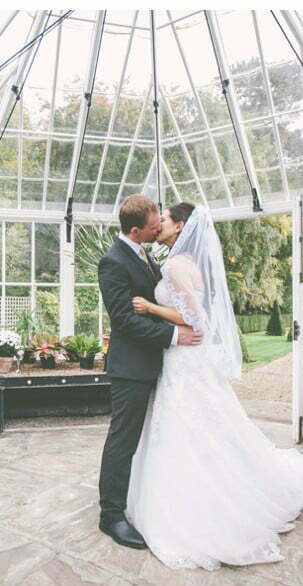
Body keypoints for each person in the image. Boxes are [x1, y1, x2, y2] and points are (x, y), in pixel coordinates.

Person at [125, 201, 303, 570]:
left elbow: (195, 319)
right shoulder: (188, 263)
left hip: (184, 360)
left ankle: (196, 508)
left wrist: (151, 308)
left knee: (186, 428)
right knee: (203, 426)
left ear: (181, 225)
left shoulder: (173, 265)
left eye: (165, 220)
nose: (159, 225)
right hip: (186, 361)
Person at [97, 194, 204, 550]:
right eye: (154, 221)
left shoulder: (146, 254)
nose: (159, 224)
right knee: (122, 440)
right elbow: (124, 322)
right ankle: (110, 516)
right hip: (130, 368)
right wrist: (175, 334)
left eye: (161, 218)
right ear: (135, 230)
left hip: (153, 365)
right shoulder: (112, 262)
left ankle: (140, 498)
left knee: (143, 440)